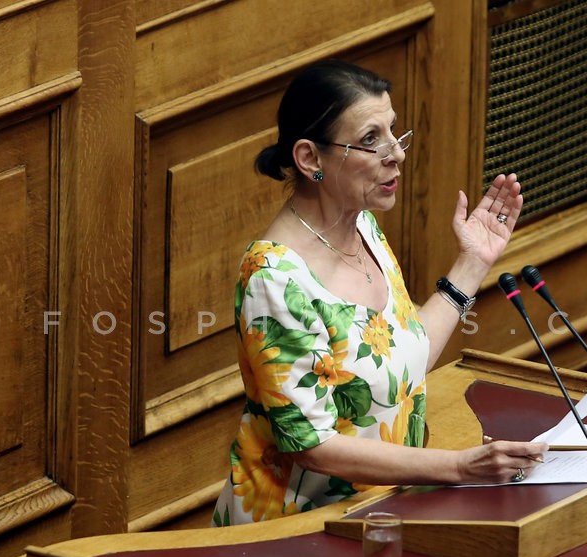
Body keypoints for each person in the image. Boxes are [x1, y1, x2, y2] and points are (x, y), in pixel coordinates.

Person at [212, 59, 547, 526]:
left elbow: (398, 362)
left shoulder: (364, 228)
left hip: (380, 512)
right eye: (371, 139)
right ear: (310, 159)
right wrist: (458, 467)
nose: (397, 154)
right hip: (296, 531)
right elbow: (312, 445)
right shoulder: (275, 278)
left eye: (393, 131)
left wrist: (473, 263)